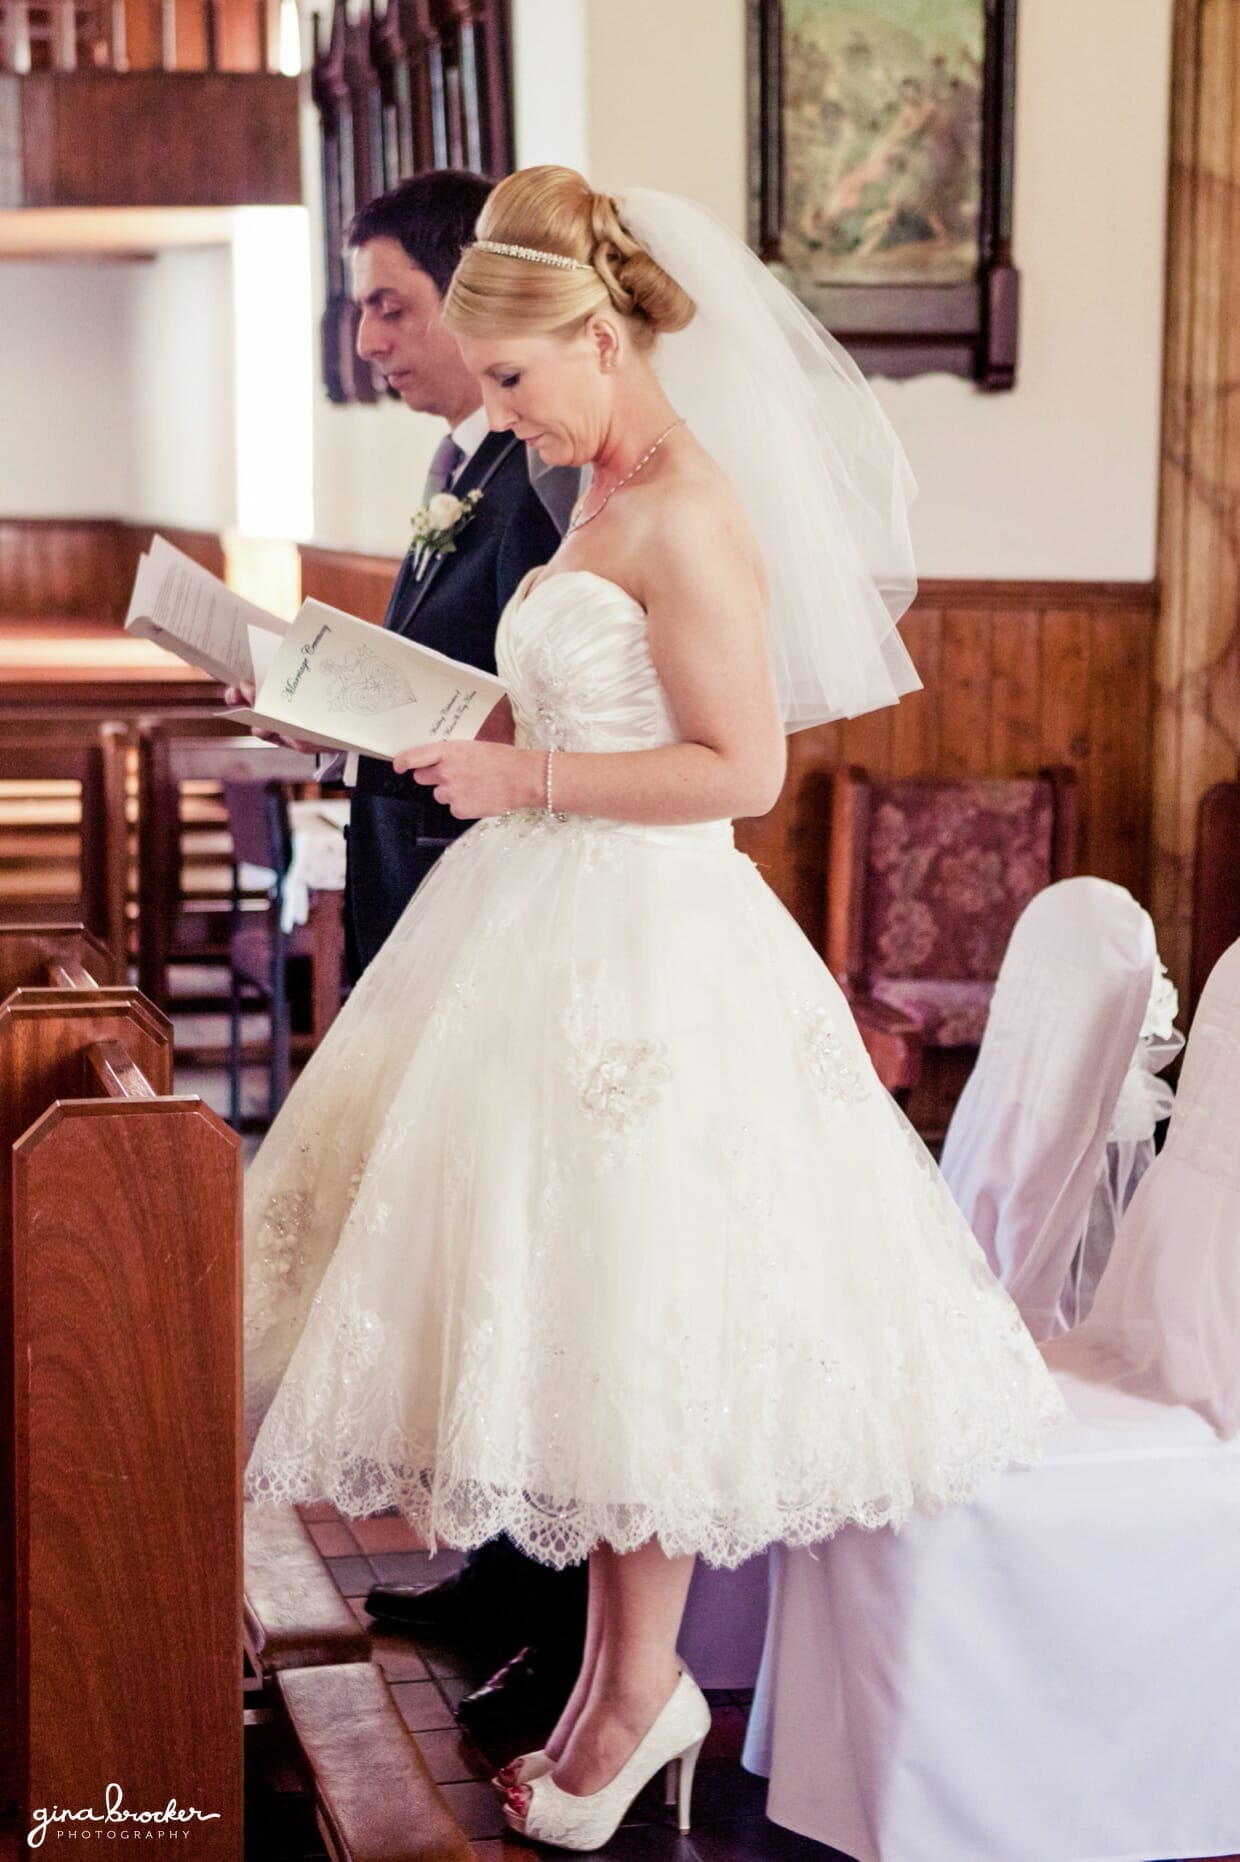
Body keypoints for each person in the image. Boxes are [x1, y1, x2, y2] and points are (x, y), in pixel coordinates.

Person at [243, 166, 1066, 1850]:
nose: (507, 412)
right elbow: (585, 692)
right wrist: (432, 724)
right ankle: (626, 1686)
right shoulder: (589, 495)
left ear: (600, 337)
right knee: (588, 1330)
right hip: (538, 913)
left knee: (643, 1328)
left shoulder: (688, 504)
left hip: (649, 946)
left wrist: (522, 771)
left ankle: (639, 1693)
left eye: (521, 378)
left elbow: (740, 773)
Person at [229, 168, 589, 1734]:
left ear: (474, 296)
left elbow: (530, 705)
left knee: (534, 1257)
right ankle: (500, 1572)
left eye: (389, 300)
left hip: (515, 911)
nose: (365, 334)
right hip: (432, 896)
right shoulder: (467, 462)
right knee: (465, 1255)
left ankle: (560, 1615)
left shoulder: (554, 475)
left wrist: (372, 710)